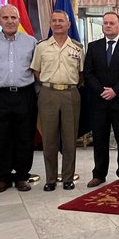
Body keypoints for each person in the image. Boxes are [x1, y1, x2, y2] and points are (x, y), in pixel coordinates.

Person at [0, 4, 37, 193]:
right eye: (5, 18)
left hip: (24, 94)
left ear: (19, 19)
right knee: (1, 137)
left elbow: (37, 71)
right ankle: (3, 177)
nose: (10, 21)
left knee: (24, 136)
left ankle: (22, 176)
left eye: (13, 17)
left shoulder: (31, 41)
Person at [84, 12, 119, 188]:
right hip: (99, 100)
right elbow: (88, 73)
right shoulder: (93, 47)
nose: (108, 25)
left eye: (112, 23)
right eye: (105, 23)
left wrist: (115, 90)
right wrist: (102, 91)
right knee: (99, 138)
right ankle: (99, 174)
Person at [31, 10, 84, 191]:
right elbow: (36, 71)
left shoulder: (77, 48)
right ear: (50, 24)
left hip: (70, 94)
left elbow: (81, 73)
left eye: (62, 21)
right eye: (54, 20)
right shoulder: (42, 47)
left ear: (69, 25)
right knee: (49, 139)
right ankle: (51, 179)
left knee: (69, 139)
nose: (58, 23)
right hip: (48, 94)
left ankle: (68, 177)